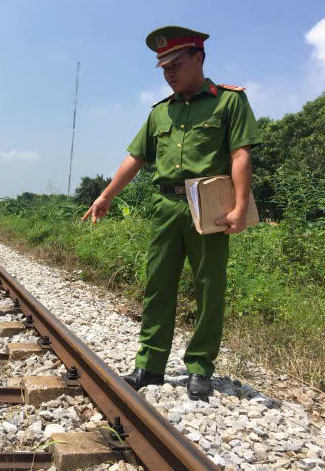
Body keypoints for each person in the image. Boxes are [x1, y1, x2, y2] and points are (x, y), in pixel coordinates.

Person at [82, 26, 261, 400]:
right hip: (165, 205)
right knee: (158, 285)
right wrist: (106, 196)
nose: (169, 73)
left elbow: (240, 154)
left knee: (209, 287)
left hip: (210, 203)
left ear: (198, 58)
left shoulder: (228, 102)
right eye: (164, 67)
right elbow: (136, 157)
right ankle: (150, 365)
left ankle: (199, 368)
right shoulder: (160, 112)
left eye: (176, 64)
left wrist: (242, 206)